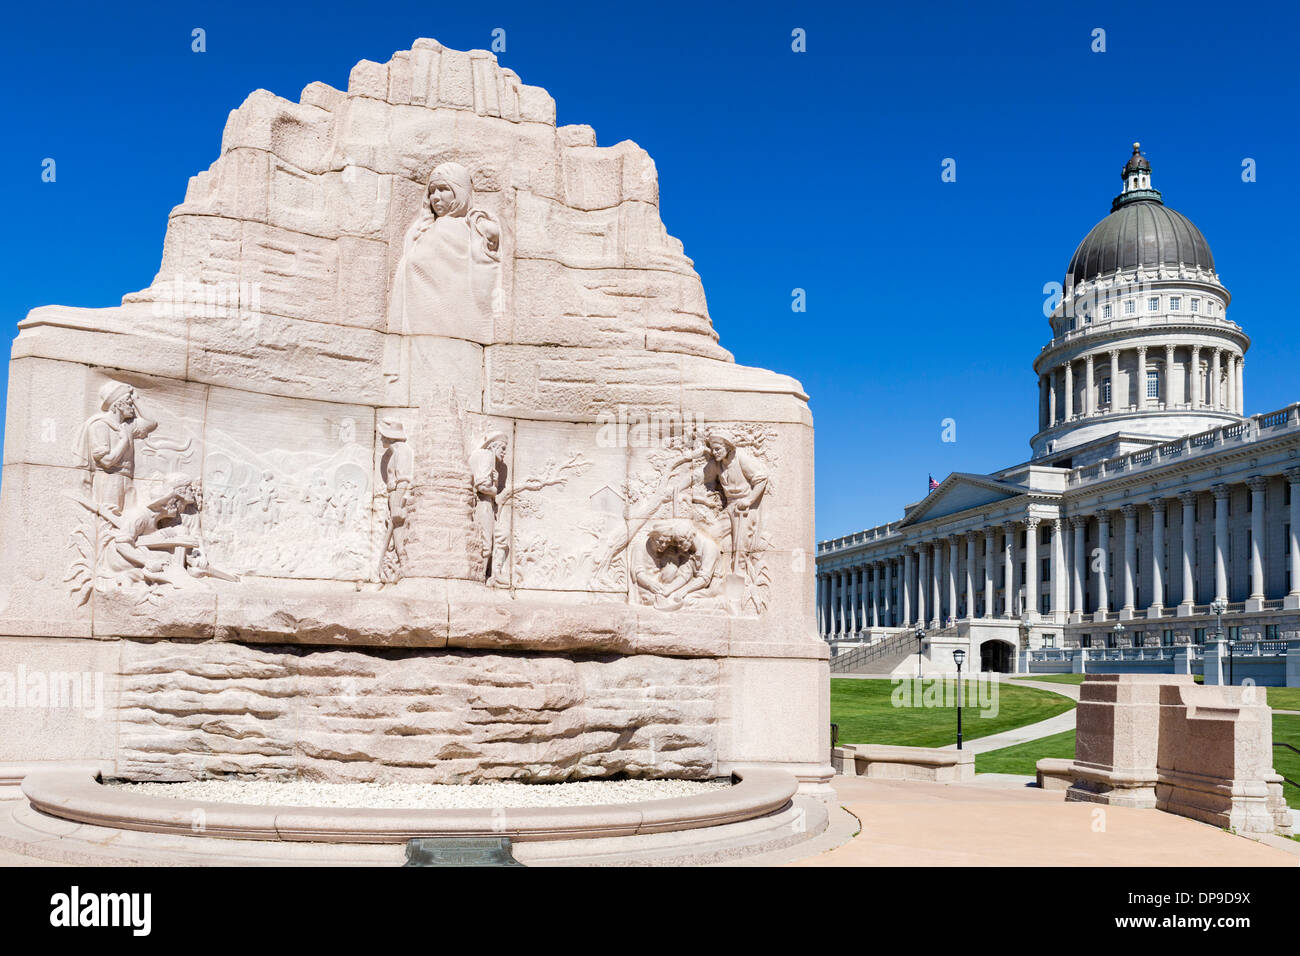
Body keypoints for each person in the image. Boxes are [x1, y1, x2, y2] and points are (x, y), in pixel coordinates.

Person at [387, 162, 501, 337]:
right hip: (420, 321)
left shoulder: (475, 226)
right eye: (432, 191)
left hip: (457, 321)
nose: (435, 197)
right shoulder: (420, 230)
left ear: (460, 190)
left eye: (443, 189)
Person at [72, 381, 158, 515]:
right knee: (109, 522)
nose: (133, 408)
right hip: (108, 481)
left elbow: (151, 423)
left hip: (127, 480)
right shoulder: (100, 425)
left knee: (129, 521)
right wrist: (124, 441)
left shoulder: (128, 425)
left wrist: (136, 399)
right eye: (129, 404)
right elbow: (106, 461)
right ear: (118, 404)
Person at [468, 430, 509, 580]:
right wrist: (495, 489)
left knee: (495, 538)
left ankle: (488, 573)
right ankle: (480, 576)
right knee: (486, 543)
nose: (504, 453)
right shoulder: (487, 455)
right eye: (503, 448)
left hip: (486, 504)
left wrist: (496, 483)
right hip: (483, 504)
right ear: (493, 446)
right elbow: (482, 486)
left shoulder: (483, 456)